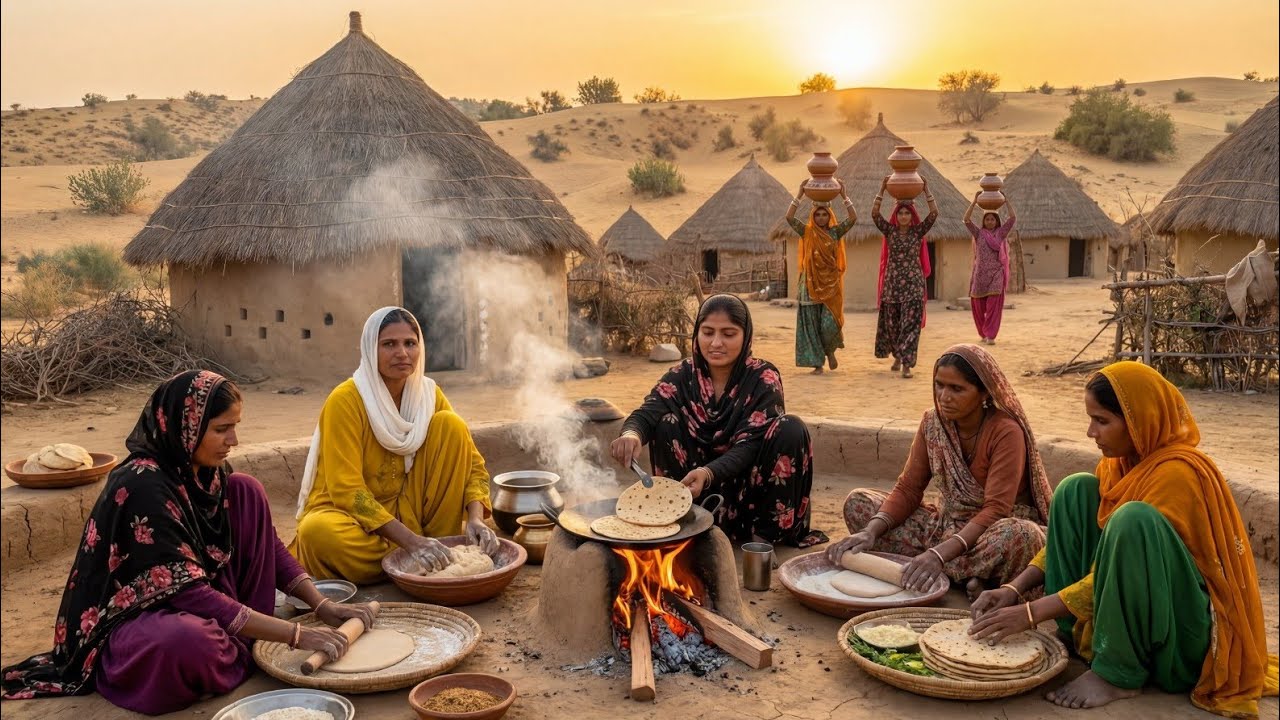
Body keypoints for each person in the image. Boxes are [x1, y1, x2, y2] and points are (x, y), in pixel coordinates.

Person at [0, 371, 377, 715]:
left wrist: (321, 604)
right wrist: (296, 634)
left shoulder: (208, 473)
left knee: (247, 490)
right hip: (137, 616)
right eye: (221, 429)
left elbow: (270, 548)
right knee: (187, 645)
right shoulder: (143, 485)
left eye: (235, 426)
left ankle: (246, 637)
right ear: (186, 427)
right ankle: (239, 643)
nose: (234, 440)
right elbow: (187, 594)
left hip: (203, 598)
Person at [970, 362, 1278, 716]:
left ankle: (1118, 673)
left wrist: (1030, 612)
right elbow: (1087, 558)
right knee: (1074, 490)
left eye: (1102, 421)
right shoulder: (1119, 465)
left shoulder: (1177, 475)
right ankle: (1076, 638)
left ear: (1138, 422)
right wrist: (1013, 589)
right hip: (1134, 609)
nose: (1090, 432)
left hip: (1180, 634)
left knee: (1132, 521)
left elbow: (1114, 569)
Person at [290, 307, 497, 585]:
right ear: (369, 349)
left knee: (451, 425)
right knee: (317, 533)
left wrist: (475, 519)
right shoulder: (346, 401)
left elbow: (473, 465)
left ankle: (430, 551)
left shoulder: (428, 394)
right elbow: (347, 492)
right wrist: (412, 542)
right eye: (389, 344)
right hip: (354, 521)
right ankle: (424, 557)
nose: (402, 353)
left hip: (412, 514)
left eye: (410, 343)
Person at [828, 345, 1051, 599]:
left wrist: (937, 554)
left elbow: (996, 509)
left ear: (984, 394)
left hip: (991, 533)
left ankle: (953, 572)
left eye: (957, 389)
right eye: (939, 385)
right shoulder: (932, 423)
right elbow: (909, 488)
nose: (944, 396)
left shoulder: (1005, 431)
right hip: (943, 526)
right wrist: (870, 532)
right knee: (859, 504)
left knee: (1023, 536)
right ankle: (969, 576)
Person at [609, 294, 826, 547]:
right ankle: (682, 520)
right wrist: (631, 435)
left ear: (746, 336)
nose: (716, 343)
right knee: (665, 421)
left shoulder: (763, 377)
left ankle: (763, 539)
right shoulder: (682, 375)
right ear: (697, 334)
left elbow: (751, 444)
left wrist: (708, 472)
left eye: (729, 334)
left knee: (791, 428)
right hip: (696, 494)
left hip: (751, 496)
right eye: (708, 332)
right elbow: (649, 412)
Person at [784, 179, 855, 373]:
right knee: (811, 325)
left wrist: (844, 195)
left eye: (825, 214)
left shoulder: (835, 232)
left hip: (831, 284)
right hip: (809, 284)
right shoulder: (807, 232)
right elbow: (789, 218)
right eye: (818, 214)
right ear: (813, 216)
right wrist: (799, 195)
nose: (822, 218)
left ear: (829, 215)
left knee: (828, 324)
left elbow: (853, 218)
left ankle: (830, 350)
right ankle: (817, 364)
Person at [873, 176, 938, 378]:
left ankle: (906, 365)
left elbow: (934, 214)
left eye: (906, 213)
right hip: (892, 287)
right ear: (896, 215)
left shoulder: (918, 232)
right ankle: (898, 356)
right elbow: (875, 214)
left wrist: (926, 191)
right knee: (893, 326)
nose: (903, 216)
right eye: (900, 213)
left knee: (910, 326)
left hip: (914, 286)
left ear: (911, 216)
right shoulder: (890, 231)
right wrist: (882, 189)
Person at [963, 193, 1017, 345]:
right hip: (980, 275)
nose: (990, 221)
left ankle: (991, 335)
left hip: (996, 275)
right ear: (984, 221)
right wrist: (974, 202)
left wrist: (1007, 201)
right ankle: (983, 333)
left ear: (996, 221)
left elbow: (1012, 219)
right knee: (978, 308)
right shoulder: (978, 233)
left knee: (994, 307)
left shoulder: (1000, 233)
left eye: (993, 219)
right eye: (987, 219)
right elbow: (966, 220)